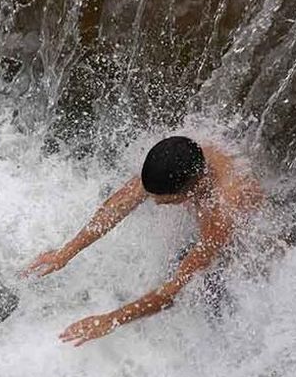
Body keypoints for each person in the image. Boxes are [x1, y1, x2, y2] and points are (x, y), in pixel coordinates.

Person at [23, 136, 262, 346]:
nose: (156, 203)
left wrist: (111, 320)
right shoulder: (181, 157)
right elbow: (115, 208)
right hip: (212, 228)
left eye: (165, 201)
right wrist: (65, 253)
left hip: (249, 251)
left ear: (193, 186)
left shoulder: (223, 210)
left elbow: (172, 291)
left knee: (214, 300)